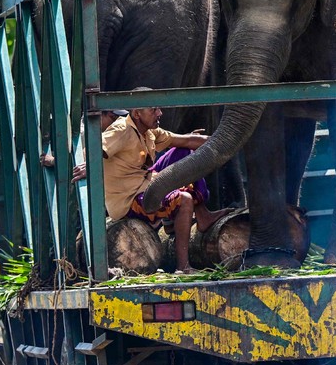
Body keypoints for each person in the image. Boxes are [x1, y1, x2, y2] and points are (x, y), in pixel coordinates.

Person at [102, 99, 229, 273]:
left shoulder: (150, 131)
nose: (159, 113)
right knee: (183, 199)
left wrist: (225, 141)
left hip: (147, 182)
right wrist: (87, 165)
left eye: (159, 109)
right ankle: (183, 266)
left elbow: (187, 140)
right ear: (137, 114)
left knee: (185, 152)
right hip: (130, 199)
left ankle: (202, 215)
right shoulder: (121, 130)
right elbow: (95, 149)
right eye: (153, 110)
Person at [39, 108, 127, 181]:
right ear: (99, 115)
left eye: (120, 118)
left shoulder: (119, 131)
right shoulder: (82, 133)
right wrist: (53, 161)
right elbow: (77, 163)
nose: (117, 122)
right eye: (113, 118)